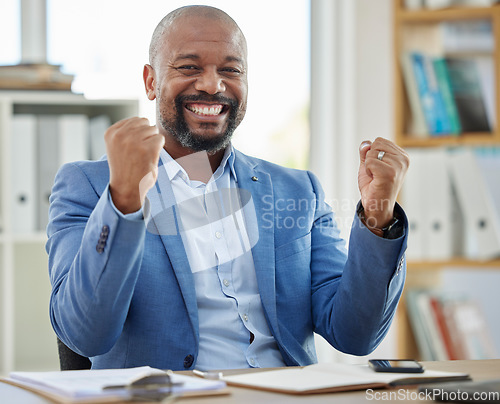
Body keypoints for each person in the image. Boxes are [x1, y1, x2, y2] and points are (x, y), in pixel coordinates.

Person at [46, 5, 410, 371]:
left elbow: (355, 334)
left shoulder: (299, 190)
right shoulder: (89, 186)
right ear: (151, 81)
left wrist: (379, 217)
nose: (211, 84)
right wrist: (123, 201)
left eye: (230, 70)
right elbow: (85, 334)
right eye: (189, 67)